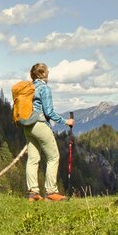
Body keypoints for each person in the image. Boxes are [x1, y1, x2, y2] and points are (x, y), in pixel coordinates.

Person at [23, 62, 73, 202]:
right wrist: (66, 122)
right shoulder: (44, 88)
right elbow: (49, 112)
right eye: (47, 71)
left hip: (27, 126)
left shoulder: (29, 88)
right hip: (39, 124)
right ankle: (51, 192)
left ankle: (33, 193)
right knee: (53, 157)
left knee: (33, 158)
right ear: (43, 73)